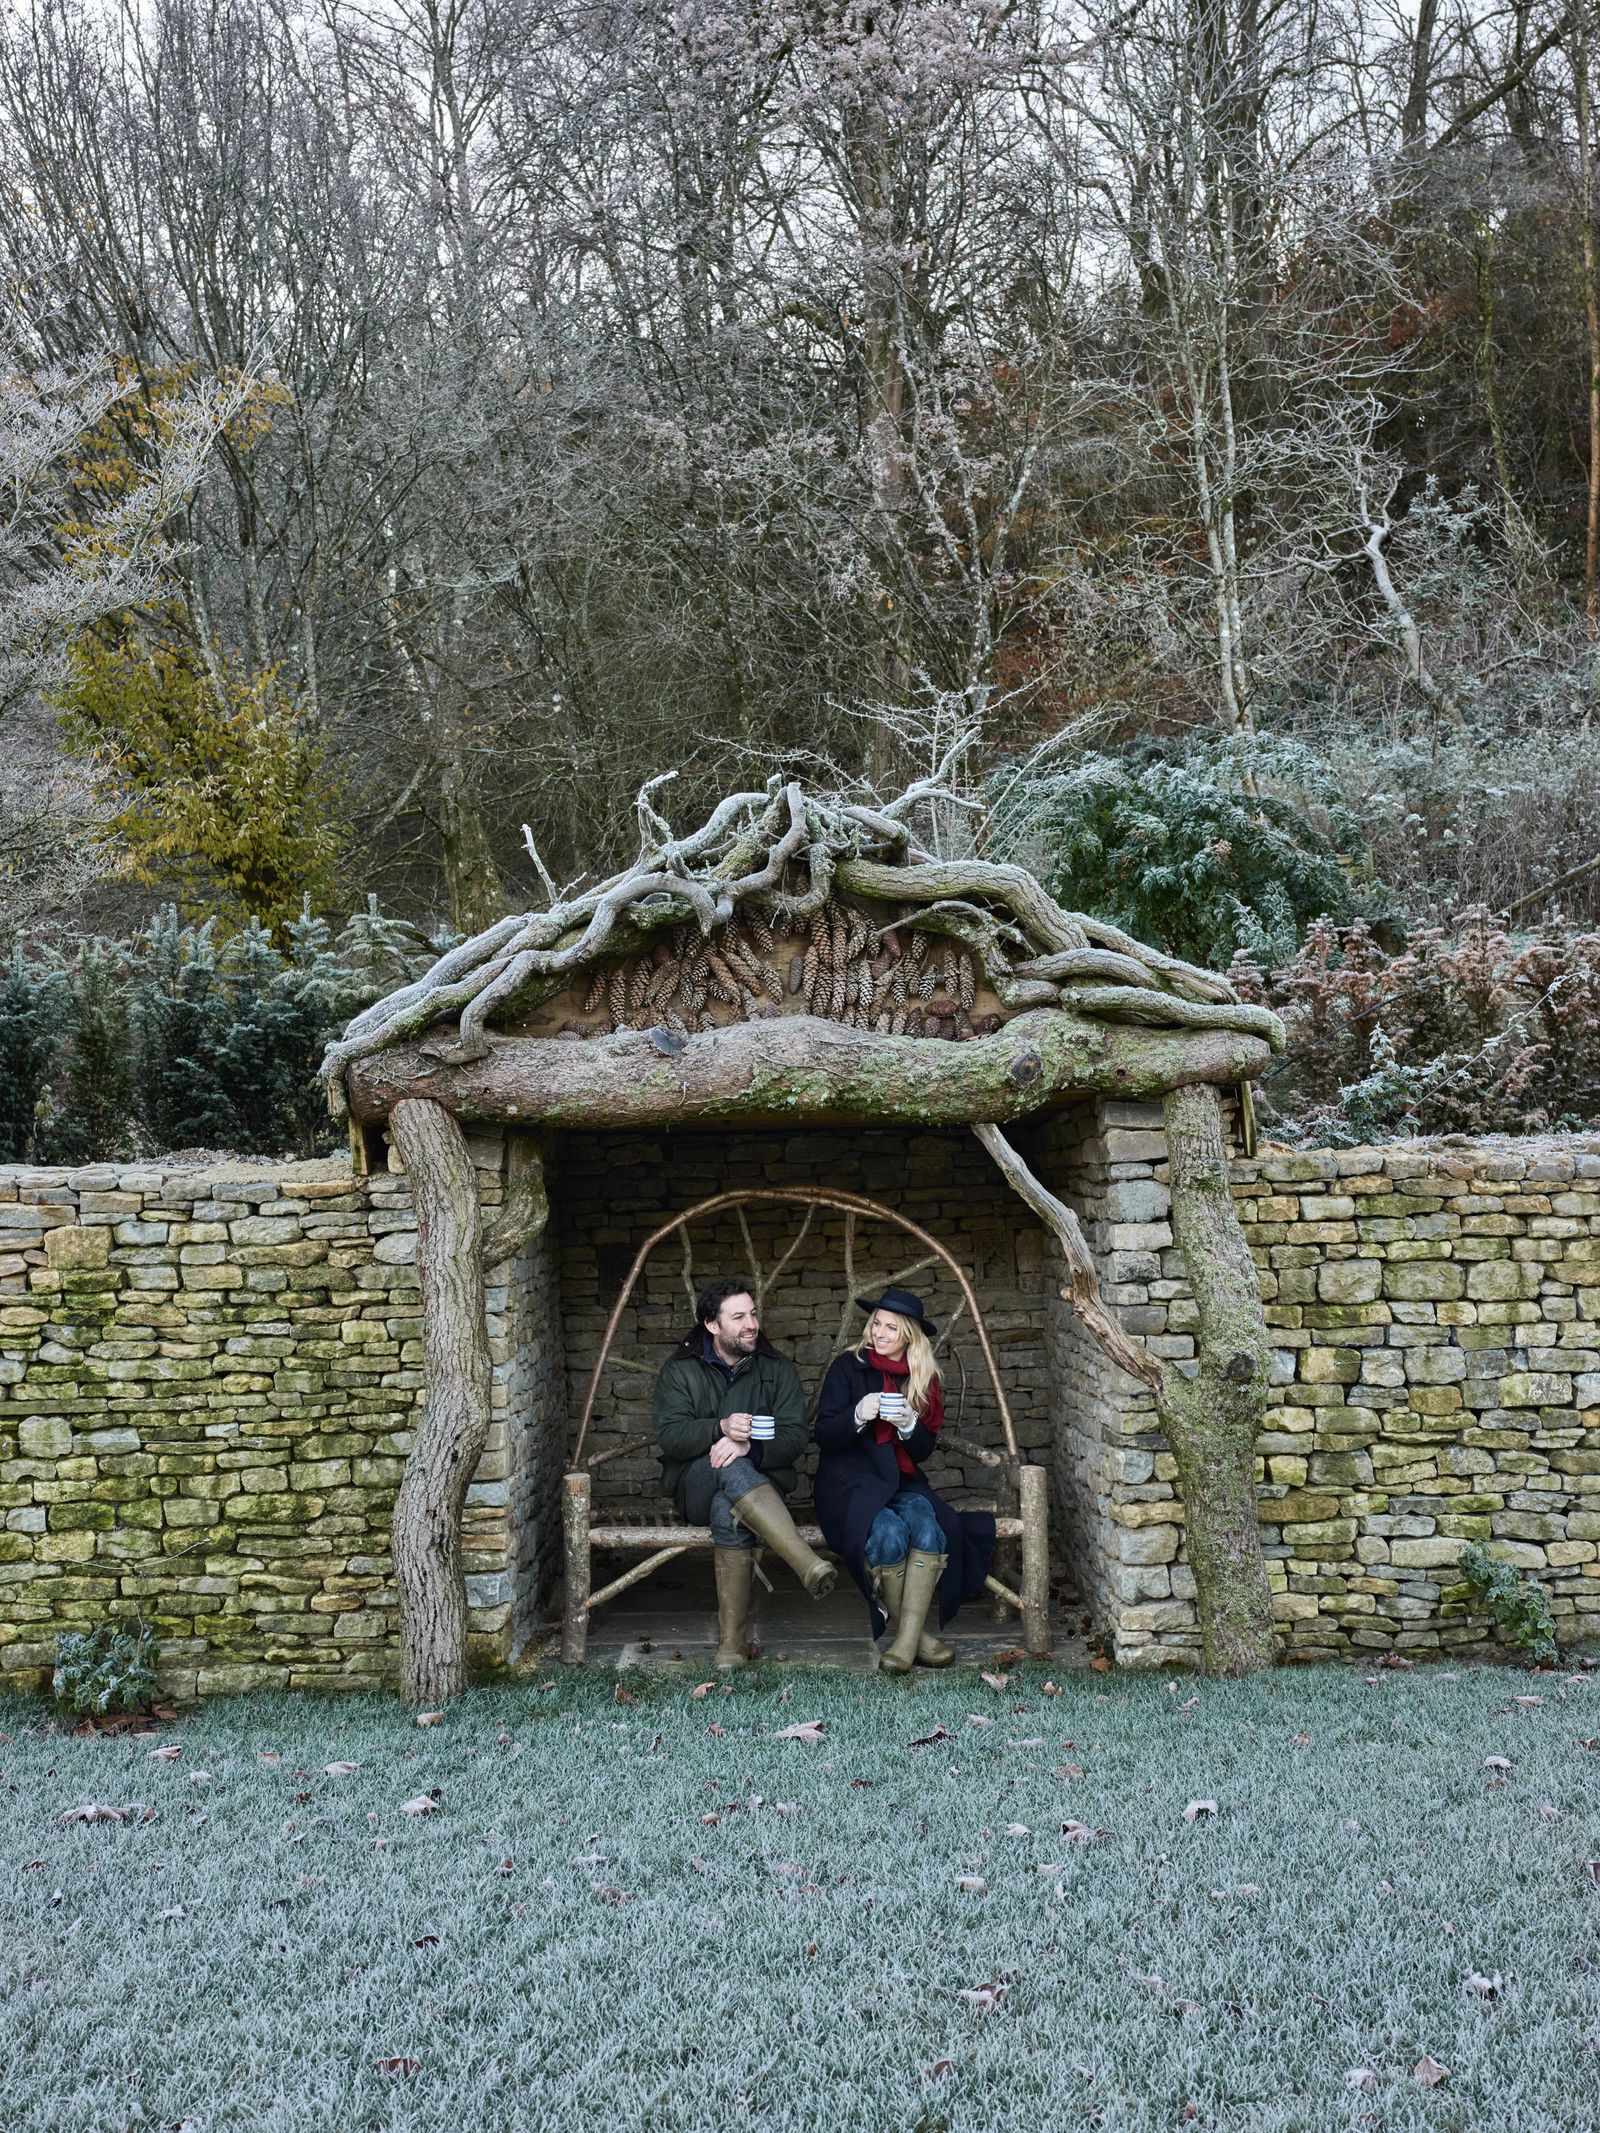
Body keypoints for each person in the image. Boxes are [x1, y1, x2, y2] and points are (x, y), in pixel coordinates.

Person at [653, 1276, 836, 1671]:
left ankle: (731, 1646)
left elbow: (795, 1437)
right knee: (729, 1468)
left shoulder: (777, 1369)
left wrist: (749, 1447)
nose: (752, 1324)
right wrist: (720, 1429)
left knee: (728, 1510)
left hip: (763, 1486)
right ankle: (804, 1561)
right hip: (695, 1487)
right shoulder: (680, 1370)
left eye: (752, 1314)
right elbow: (670, 1436)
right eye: (738, 1317)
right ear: (712, 1325)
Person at [813, 1286, 995, 1673]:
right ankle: (917, 1639)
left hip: (900, 1479)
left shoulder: (923, 1379)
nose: (879, 1333)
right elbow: (824, 1436)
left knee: (928, 1526)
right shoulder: (848, 1367)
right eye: (877, 1324)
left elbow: (922, 1452)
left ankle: (904, 1643)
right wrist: (857, 1415)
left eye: (891, 1328)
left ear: (909, 1336)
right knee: (888, 1532)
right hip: (848, 1481)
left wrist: (910, 1425)